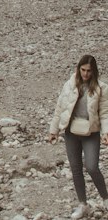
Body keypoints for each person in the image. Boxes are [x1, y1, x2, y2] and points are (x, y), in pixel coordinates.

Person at [48, 53, 108, 218]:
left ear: (94, 71)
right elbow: (60, 107)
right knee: (75, 169)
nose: (86, 74)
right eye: (83, 70)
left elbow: (104, 113)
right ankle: (83, 204)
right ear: (78, 68)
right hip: (71, 132)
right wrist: (54, 130)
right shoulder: (69, 84)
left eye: (89, 71)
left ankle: (105, 198)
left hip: (91, 132)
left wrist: (106, 132)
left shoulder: (101, 88)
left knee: (92, 167)